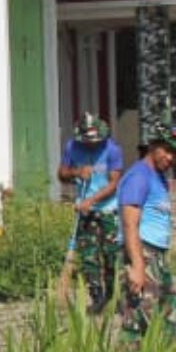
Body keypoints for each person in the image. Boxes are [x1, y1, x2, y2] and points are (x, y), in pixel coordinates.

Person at [117, 123, 176, 347]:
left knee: (167, 317)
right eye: (166, 150)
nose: (170, 157)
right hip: (142, 252)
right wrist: (138, 266)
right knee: (143, 320)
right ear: (152, 146)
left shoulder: (157, 177)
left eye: (175, 153)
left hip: (156, 255)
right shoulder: (138, 176)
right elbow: (130, 224)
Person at [57, 113, 125, 314]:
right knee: (88, 256)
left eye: (95, 140)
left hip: (109, 209)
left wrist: (92, 201)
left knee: (111, 255)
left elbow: (114, 183)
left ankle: (113, 297)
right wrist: (77, 172)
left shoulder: (112, 149)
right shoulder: (72, 147)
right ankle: (97, 298)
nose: (92, 144)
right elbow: (62, 174)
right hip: (85, 211)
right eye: (88, 141)